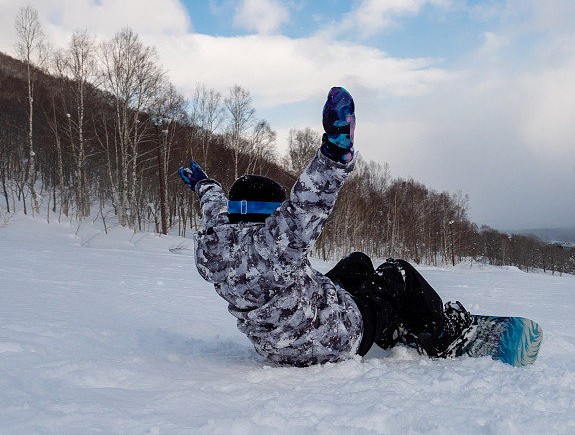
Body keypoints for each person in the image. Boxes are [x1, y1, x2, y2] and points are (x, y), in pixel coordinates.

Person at [178, 87, 471, 367]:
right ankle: (440, 335)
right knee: (398, 273)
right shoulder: (274, 246)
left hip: (277, 345)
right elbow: (310, 201)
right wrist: (334, 150)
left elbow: (215, 209)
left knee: (358, 263)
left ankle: (388, 323)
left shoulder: (214, 247)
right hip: (335, 340)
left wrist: (204, 185)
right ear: (270, 216)